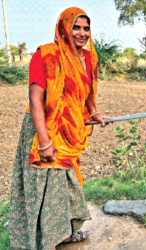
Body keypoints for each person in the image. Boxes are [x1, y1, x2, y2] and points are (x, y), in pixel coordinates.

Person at [9, 7, 107, 250]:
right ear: (64, 27)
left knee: (64, 186)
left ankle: (62, 234)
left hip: (68, 130)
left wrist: (93, 111)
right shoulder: (46, 56)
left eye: (86, 28)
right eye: (76, 27)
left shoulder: (89, 58)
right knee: (44, 189)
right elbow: (35, 101)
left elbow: (87, 92)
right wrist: (44, 142)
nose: (82, 33)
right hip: (42, 128)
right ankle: (44, 242)